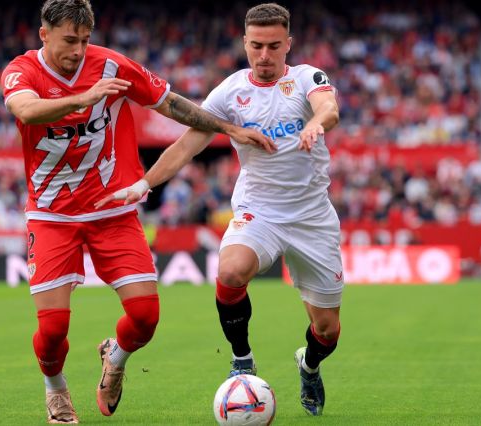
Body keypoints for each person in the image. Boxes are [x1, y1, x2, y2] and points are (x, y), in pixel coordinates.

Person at [0, 0, 274, 423]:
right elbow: (25, 109)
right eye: (69, 40)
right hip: (53, 216)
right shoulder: (21, 71)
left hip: (112, 209)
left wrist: (228, 128)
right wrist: (84, 97)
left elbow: (171, 104)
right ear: (44, 34)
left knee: (145, 318)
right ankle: (56, 390)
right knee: (53, 330)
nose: (78, 50)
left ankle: (115, 358)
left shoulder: (112, 66)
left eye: (85, 40)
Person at [97, 2, 342, 417]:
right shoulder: (230, 92)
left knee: (327, 330)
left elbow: (328, 107)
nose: (264, 55)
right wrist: (143, 184)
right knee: (230, 272)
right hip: (259, 210)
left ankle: (309, 365)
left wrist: (316, 123)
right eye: (256, 46)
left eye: (274, 46)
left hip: (312, 217)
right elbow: (186, 146)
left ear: (289, 44)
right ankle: (242, 359)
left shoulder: (306, 78)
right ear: (244, 43)